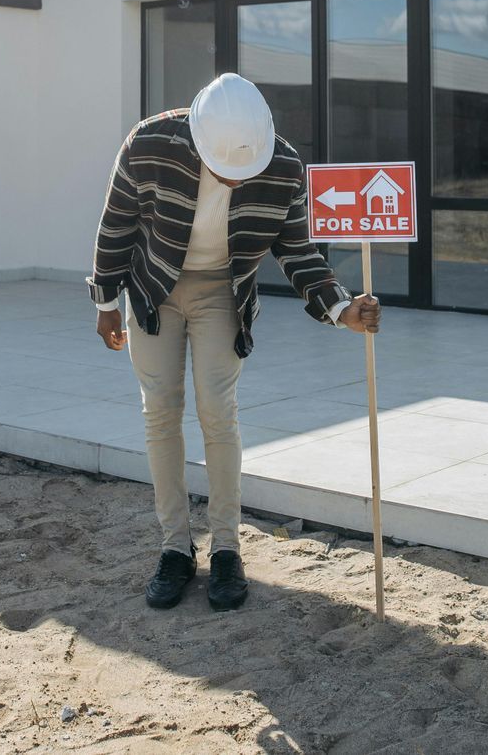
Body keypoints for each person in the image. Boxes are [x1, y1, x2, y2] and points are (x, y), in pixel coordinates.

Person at [88, 73, 381, 611]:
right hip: (153, 285)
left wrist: (341, 308)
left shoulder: (285, 167)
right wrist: (106, 301)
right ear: (198, 141)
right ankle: (175, 548)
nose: (237, 181)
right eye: (226, 171)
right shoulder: (149, 142)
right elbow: (117, 223)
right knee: (160, 411)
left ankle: (226, 547)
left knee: (217, 411)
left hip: (224, 288)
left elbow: (298, 251)